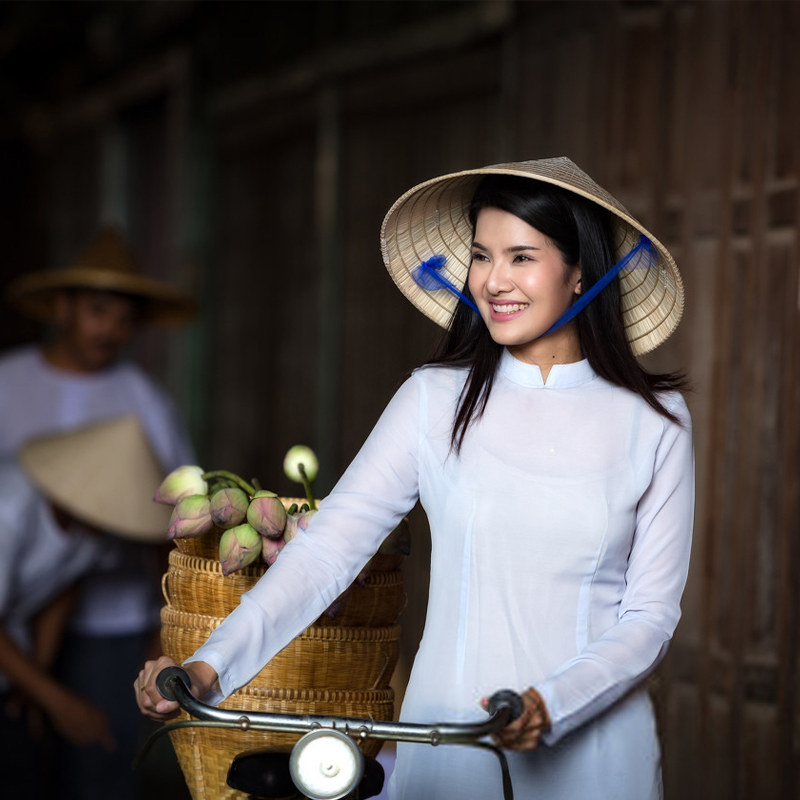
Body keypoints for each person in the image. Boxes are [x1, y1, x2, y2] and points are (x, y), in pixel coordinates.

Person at [136, 157, 694, 800]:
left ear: (579, 274)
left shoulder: (657, 423)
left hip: (599, 752)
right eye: (482, 256)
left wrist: (553, 702)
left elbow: (650, 616)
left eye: (521, 257)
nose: (492, 280)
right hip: (449, 743)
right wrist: (209, 667)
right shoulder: (434, 401)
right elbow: (327, 550)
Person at [1, 226, 196, 800]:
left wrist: (165, 628)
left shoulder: (146, 399)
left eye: (124, 318)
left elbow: (176, 522)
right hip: (15, 625)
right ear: (62, 308)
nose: (110, 329)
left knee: (100, 762)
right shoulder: (7, 383)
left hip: (110, 624)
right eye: (96, 311)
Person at [0, 415, 173, 799]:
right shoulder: (9, 509)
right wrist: (56, 700)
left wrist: (37, 677)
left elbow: (63, 583)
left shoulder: (92, 524)